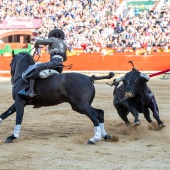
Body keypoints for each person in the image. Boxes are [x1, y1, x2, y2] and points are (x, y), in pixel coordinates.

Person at [21, 28, 70, 97]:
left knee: (35, 68)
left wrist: (36, 45)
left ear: (52, 36)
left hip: (53, 62)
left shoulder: (53, 39)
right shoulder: (64, 44)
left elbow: (38, 41)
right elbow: (65, 58)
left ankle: (31, 91)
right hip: (60, 65)